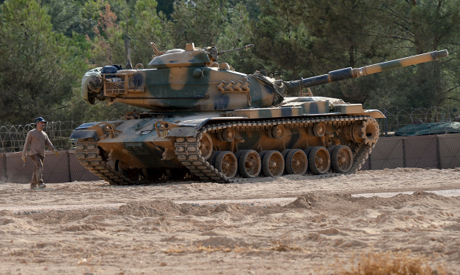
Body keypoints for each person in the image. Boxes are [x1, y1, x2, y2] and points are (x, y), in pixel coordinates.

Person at [21, 117, 58, 189]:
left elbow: (48, 144)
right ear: (37, 123)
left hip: (42, 154)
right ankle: (40, 183)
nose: (43, 124)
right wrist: (24, 154)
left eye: (44, 123)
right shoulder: (31, 132)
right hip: (34, 153)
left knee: (37, 169)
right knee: (39, 166)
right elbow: (26, 143)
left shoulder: (44, 134)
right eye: (41, 123)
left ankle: (33, 185)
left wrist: (54, 149)